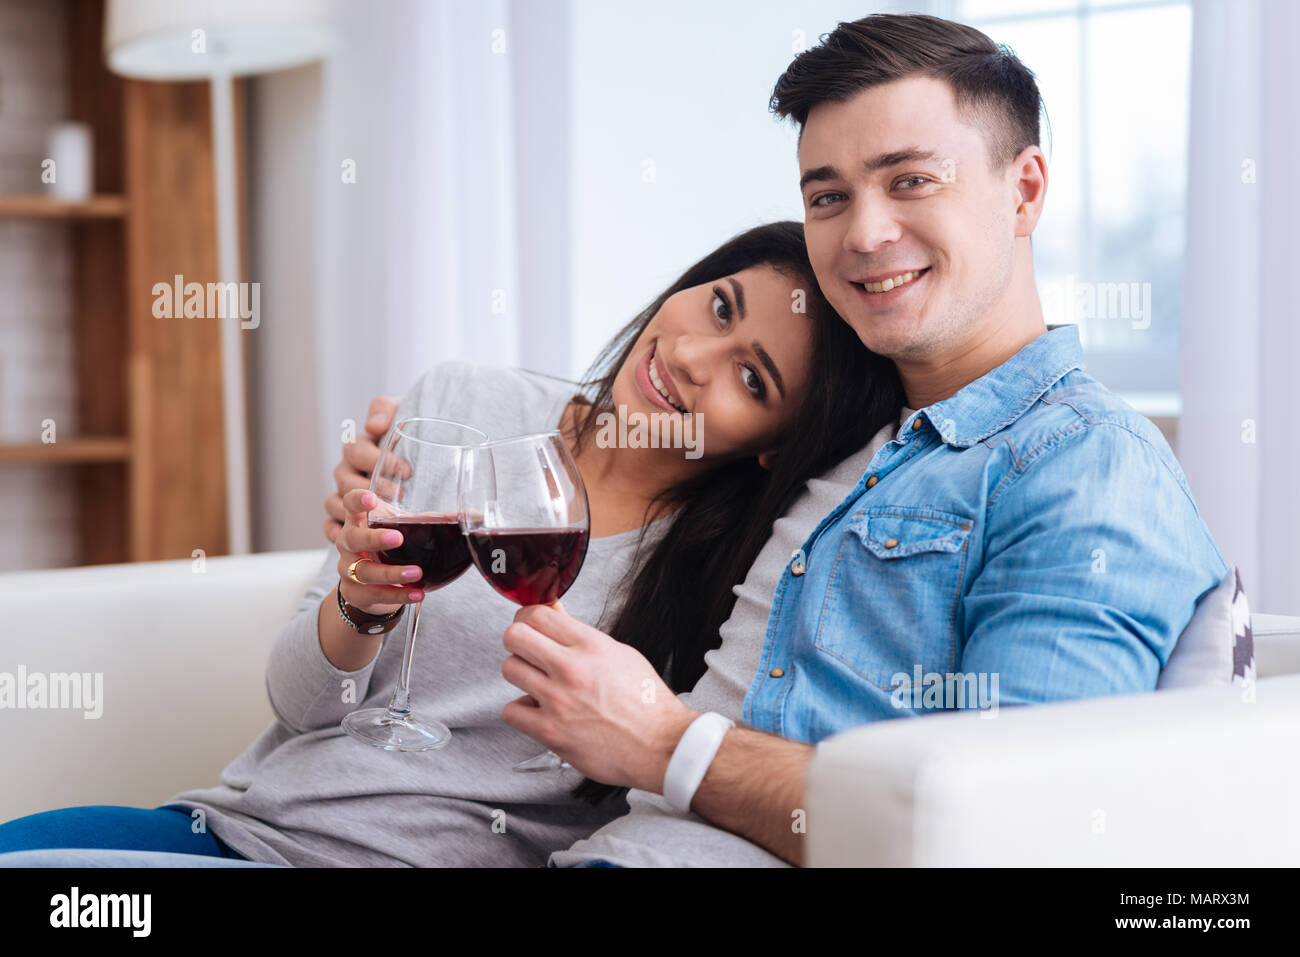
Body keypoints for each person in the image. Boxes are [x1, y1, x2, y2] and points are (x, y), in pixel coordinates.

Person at [425, 13, 1225, 867]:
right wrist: (443, 456)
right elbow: (637, 422)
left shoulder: (1086, 465)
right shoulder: (843, 432)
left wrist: (671, 746)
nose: (863, 234)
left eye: (911, 180)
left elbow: (1017, 832)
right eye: (828, 196)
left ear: (1024, 189)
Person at [0, 222, 904, 866]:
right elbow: (298, 703)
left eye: (750, 374)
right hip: (240, 827)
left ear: (775, 445)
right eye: (716, 305)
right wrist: (360, 598)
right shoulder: (464, 405)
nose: (695, 357)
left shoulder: (725, 584)